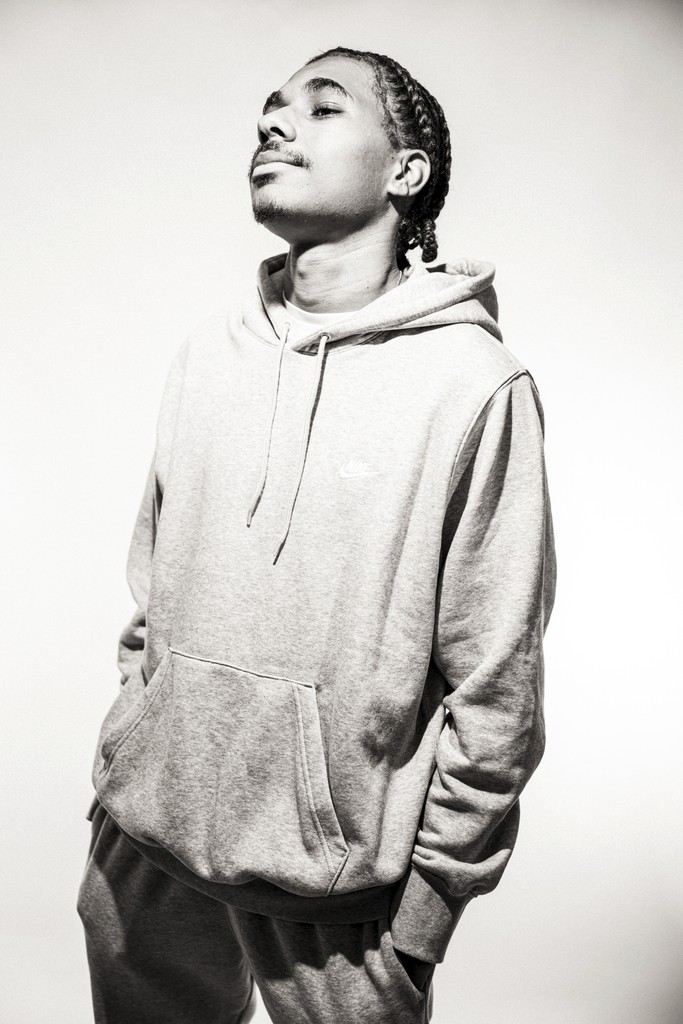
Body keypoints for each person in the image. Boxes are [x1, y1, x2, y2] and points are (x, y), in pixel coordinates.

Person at [77, 45, 556, 1024]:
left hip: (338, 889)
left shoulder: (472, 384)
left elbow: (496, 683)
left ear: (404, 171)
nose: (273, 122)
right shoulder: (208, 353)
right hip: (144, 848)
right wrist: (130, 758)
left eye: (323, 106)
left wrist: (426, 911)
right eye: (270, 106)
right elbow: (154, 597)